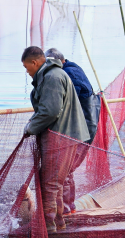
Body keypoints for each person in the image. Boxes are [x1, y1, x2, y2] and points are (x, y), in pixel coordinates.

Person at [21, 46, 90, 233]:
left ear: (35, 62)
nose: (27, 72)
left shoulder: (52, 77)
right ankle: (58, 223)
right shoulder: (52, 75)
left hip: (59, 136)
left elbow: (50, 111)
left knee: (50, 184)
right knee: (57, 183)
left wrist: (30, 128)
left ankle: (48, 229)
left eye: (27, 68)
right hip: (65, 135)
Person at [44, 48, 101, 214]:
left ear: (59, 62)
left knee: (65, 169)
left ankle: (67, 209)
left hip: (82, 131)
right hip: (80, 129)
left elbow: (67, 101)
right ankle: (66, 208)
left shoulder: (70, 74)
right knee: (65, 169)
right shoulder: (69, 70)